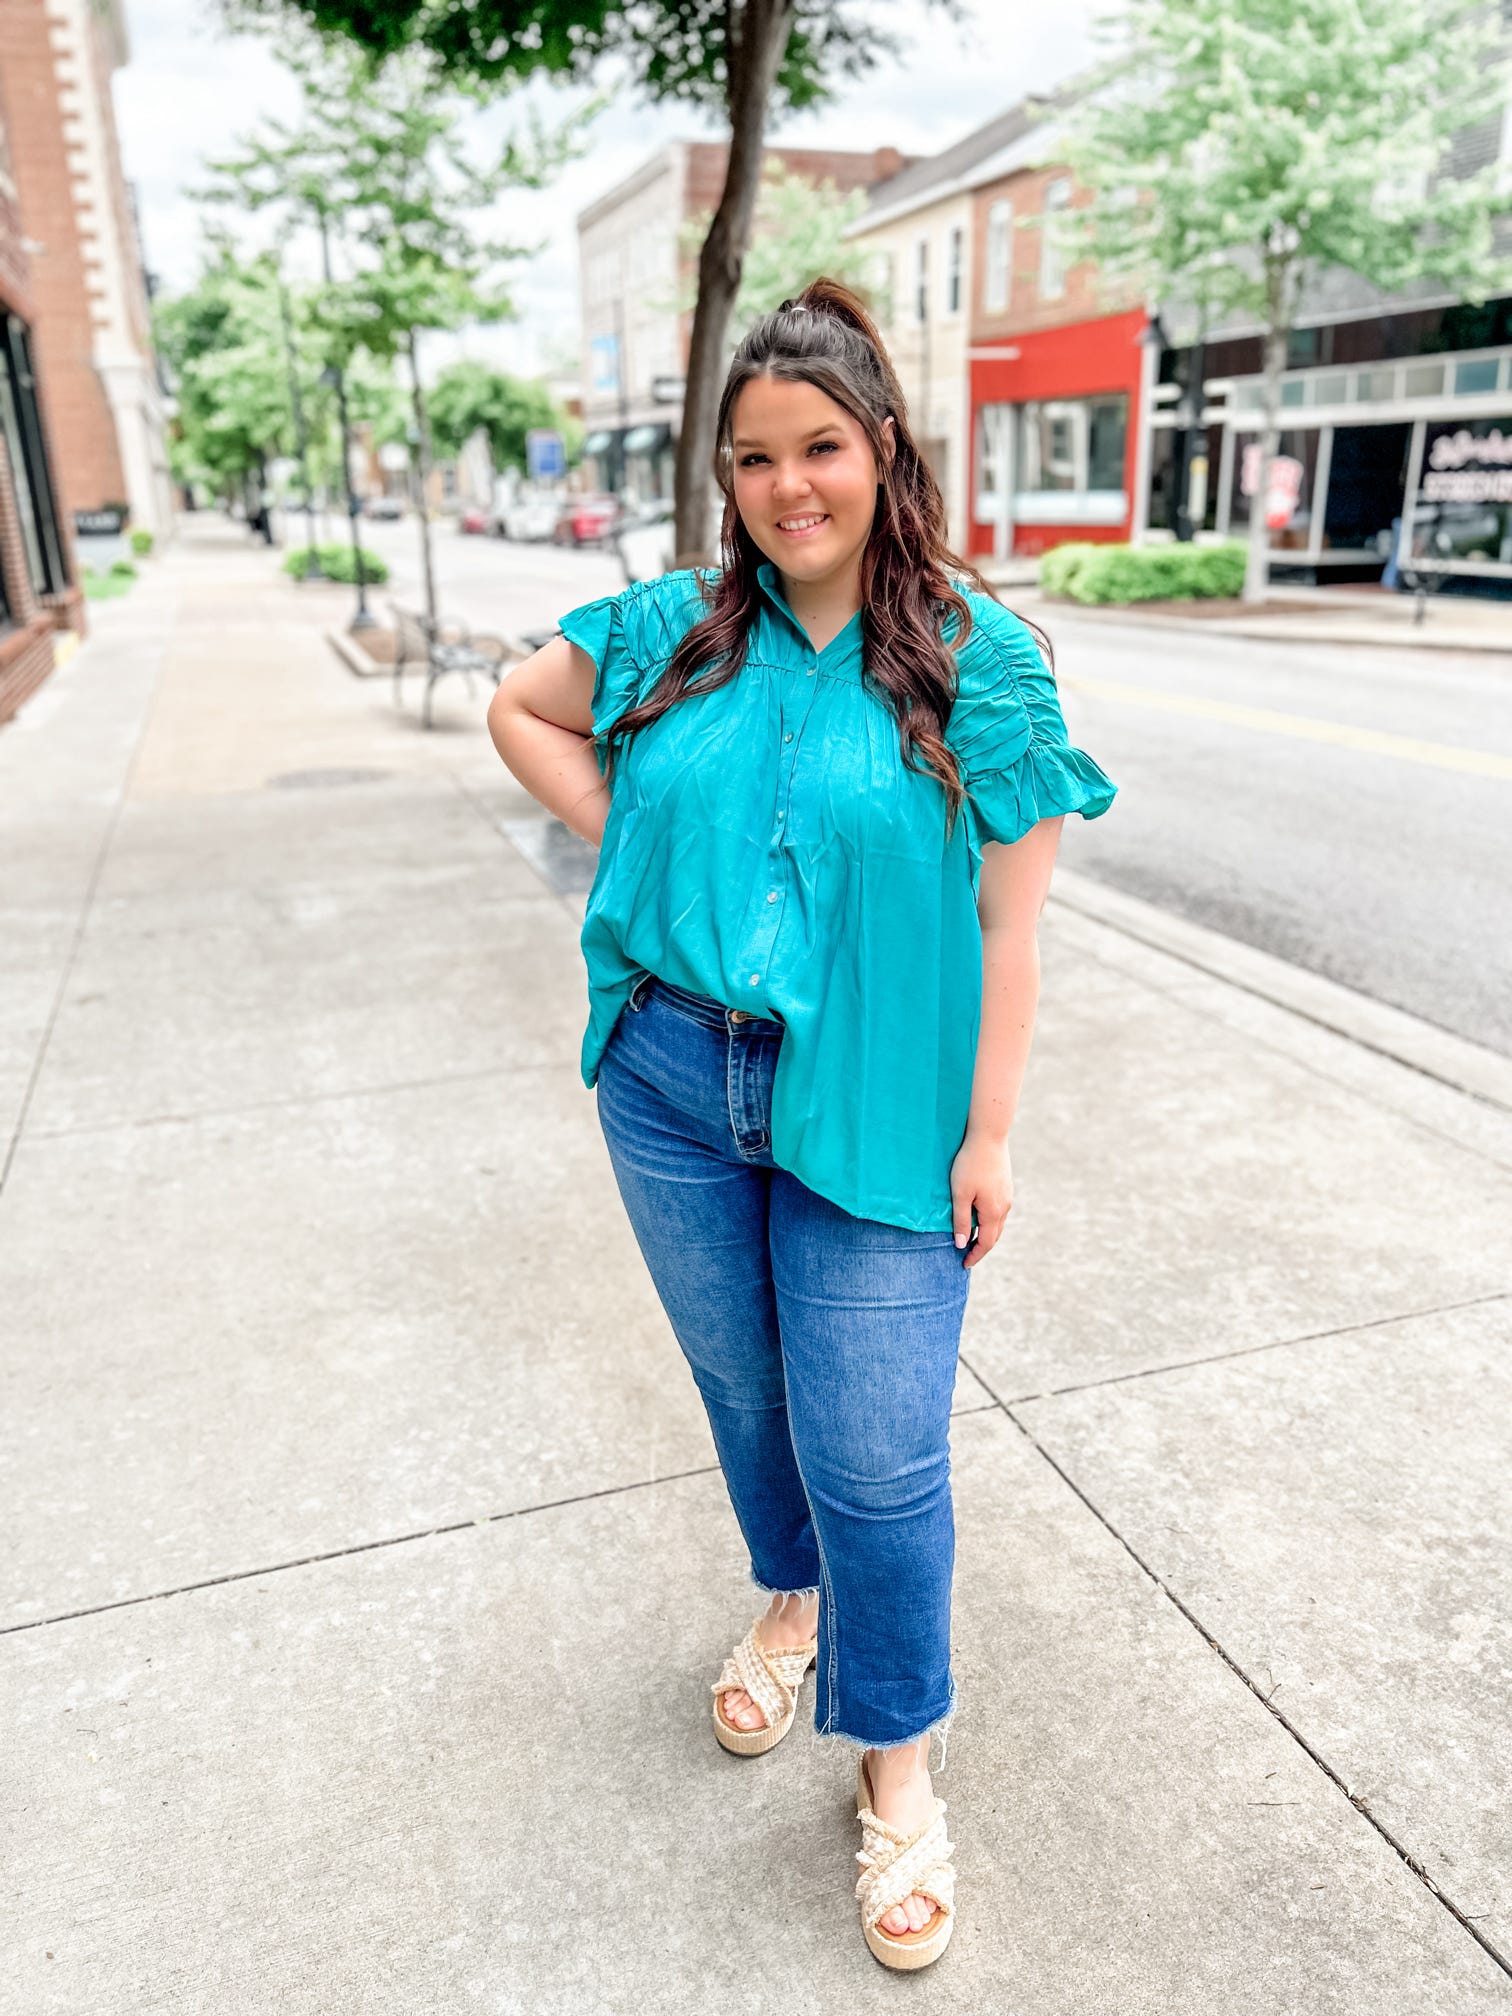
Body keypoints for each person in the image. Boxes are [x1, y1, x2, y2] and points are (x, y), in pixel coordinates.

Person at [486, 277, 1117, 1971]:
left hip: (883, 1104)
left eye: (821, 447)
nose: (789, 487)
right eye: (754, 456)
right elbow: (518, 709)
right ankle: (790, 1593)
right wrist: (644, 854)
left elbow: (1011, 927)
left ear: (882, 446)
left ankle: (897, 1769)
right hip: (677, 1084)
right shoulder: (671, 629)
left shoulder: (980, 664)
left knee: (881, 1454)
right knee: (746, 1389)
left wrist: (988, 1138)